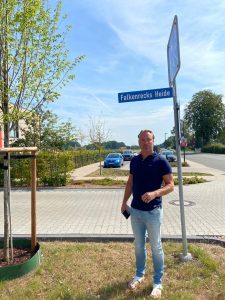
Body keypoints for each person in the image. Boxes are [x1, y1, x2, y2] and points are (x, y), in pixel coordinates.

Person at [121, 129, 174, 299]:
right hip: (135, 212)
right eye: (142, 139)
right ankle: (139, 274)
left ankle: (158, 283)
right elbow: (130, 182)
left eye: (148, 139)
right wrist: (124, 202)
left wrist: (154, 193)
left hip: (153, 212)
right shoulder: (135, 161)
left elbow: (170, 185)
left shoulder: (161, 161)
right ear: (138, 141)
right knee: (138, 245)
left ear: (153, 141)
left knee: (156, 246)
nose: (145, 142)